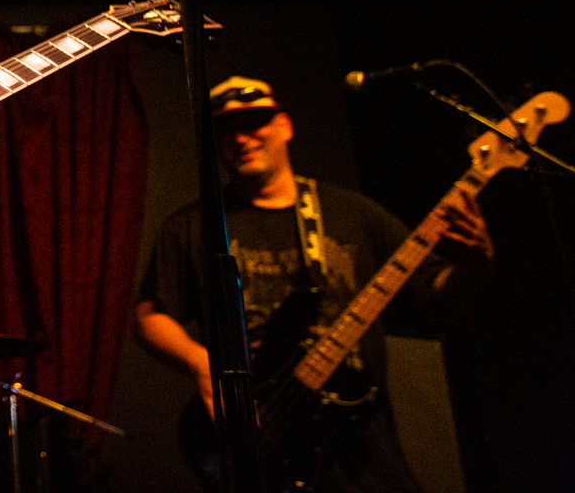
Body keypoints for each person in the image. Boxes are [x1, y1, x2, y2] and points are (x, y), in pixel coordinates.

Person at [133, 76, 494, 493]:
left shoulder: (352, 213)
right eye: (226, 130)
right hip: (261, 443)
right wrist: (203, 364)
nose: (242, 138)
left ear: (284, 126)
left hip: (364, 450)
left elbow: (439, 296)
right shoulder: (194, 227)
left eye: (255, 123)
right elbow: (150, 315)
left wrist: (477, 262)